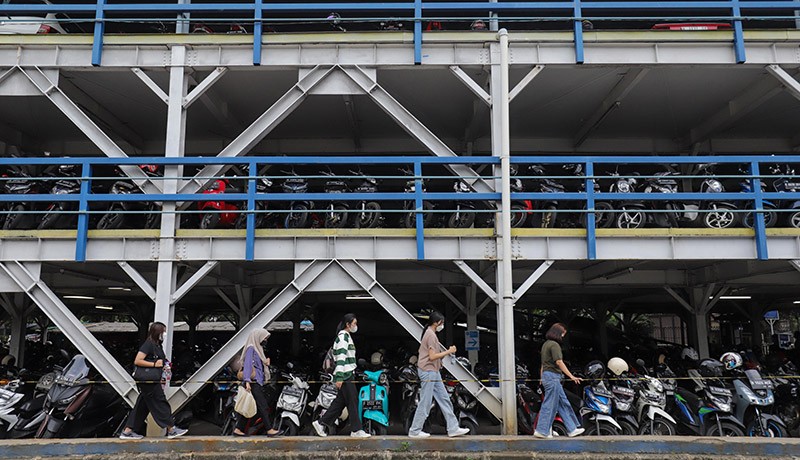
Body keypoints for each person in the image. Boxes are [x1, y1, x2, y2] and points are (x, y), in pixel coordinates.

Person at [120, 322, 188, 439]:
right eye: (163, 331)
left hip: (152, 380)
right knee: (160, 402)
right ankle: (171, 428)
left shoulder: (157, 345)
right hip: (149, 381)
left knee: (142, 406)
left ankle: (127, 431)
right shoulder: (148, 344)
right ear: (158, 332)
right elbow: (138, 360)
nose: (165, 334)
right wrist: (155, 364)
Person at [408, 311, 470, 438]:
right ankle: (414, 431)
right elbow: (432, 356)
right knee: (425, 402)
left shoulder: (431, 334)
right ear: (436, 323)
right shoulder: (430, 335)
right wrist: (449, 351)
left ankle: (453, 428)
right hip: (428, 372)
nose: (442, 325)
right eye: (441, 323)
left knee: (444, 399)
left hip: (433, 372)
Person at [312, 314, 370, 438]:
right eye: (354, 323)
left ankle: (321, 423)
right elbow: (341, 358)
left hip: (346, 374)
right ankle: (356, 430)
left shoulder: (345, 336)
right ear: (347, 324)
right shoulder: (343, 337)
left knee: (340, 402)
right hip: (345, 375)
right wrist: (339, 377)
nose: (356, 326)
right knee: (353, 401)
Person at [533, 323, 584, 439]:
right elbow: (559, 362)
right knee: (550, 404)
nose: (563, 336)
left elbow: (543, 364)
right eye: (563, 333)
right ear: (558, 332)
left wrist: (541, 378)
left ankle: (572, 428)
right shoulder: (554, 345)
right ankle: (541, 430)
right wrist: (571, 376)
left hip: (548, 376)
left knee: (563, 402)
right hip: (553, 377)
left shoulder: (545, 345)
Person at [233, 329, 280, 437]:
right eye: (264, 338)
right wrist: (247, 382)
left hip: (256, 382)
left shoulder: (258, 349)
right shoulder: (251, 348)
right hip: (252, 382)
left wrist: (265, 363)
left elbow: (258, 366)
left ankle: (238, 429)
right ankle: (269, 429)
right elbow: (248, 365)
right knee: (263, 406)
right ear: (257, 337)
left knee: (250, 405)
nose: (265, 340)